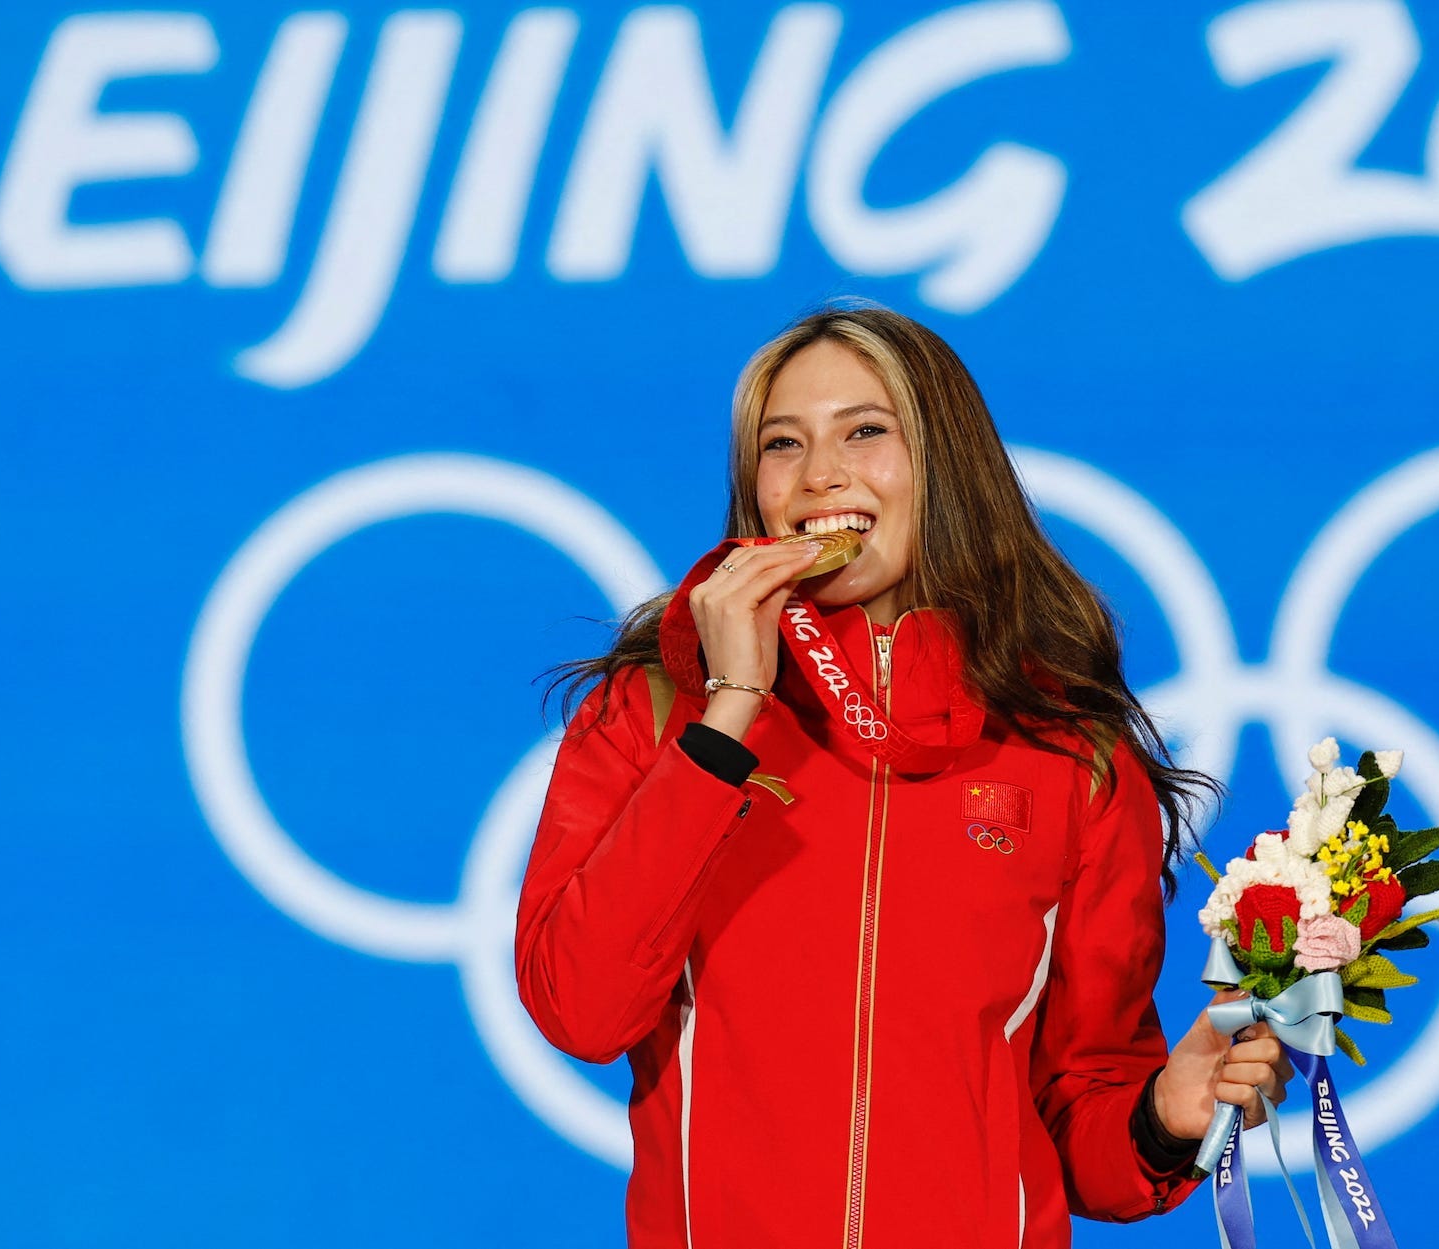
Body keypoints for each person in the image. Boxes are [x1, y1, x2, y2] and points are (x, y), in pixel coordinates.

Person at [518, 303, 1291, 1248]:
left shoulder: (1069, 754)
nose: (819, 476)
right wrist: (728, 714)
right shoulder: (651, 714)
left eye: (867, 432)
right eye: (781, 444)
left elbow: (1077, 1108)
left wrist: (1165, 1115)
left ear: (948, 465)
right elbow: (580, 1007)